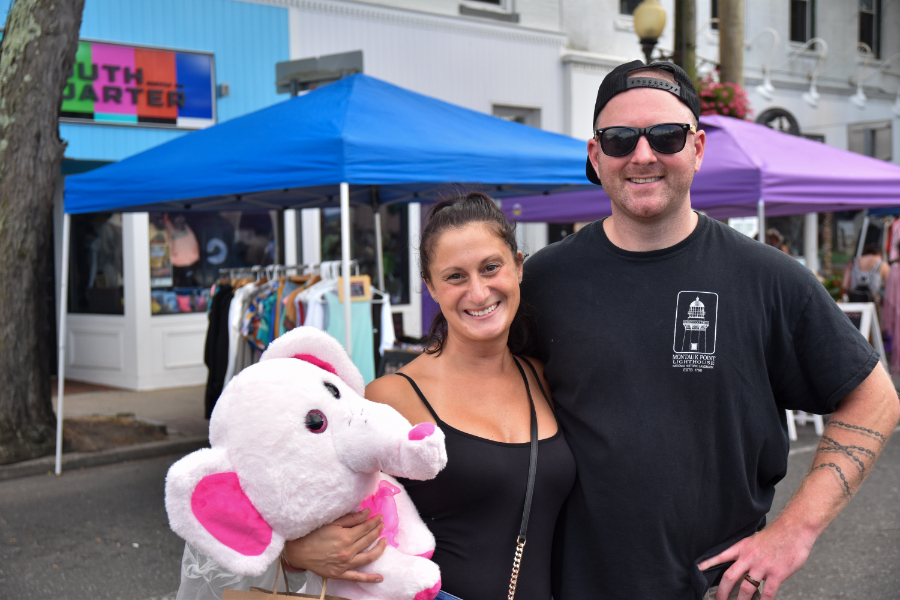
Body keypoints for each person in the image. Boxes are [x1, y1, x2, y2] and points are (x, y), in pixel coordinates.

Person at [518, 60, 899, 600]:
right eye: (620, 139)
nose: (642, 155)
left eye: (666, 136)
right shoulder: (542, 281)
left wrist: (794, 532)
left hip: (717, 591)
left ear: (697, 148)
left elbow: (875, 400)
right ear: (596, 155)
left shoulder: (767, 278)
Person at [281, 193, 576, 600]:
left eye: (491, 267)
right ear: (431, 287)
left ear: (518, 266)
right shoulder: (391, 397)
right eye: (455, 276)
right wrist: (295, 552)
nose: (478, 292)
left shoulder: (543, 378)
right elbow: (302, 501)